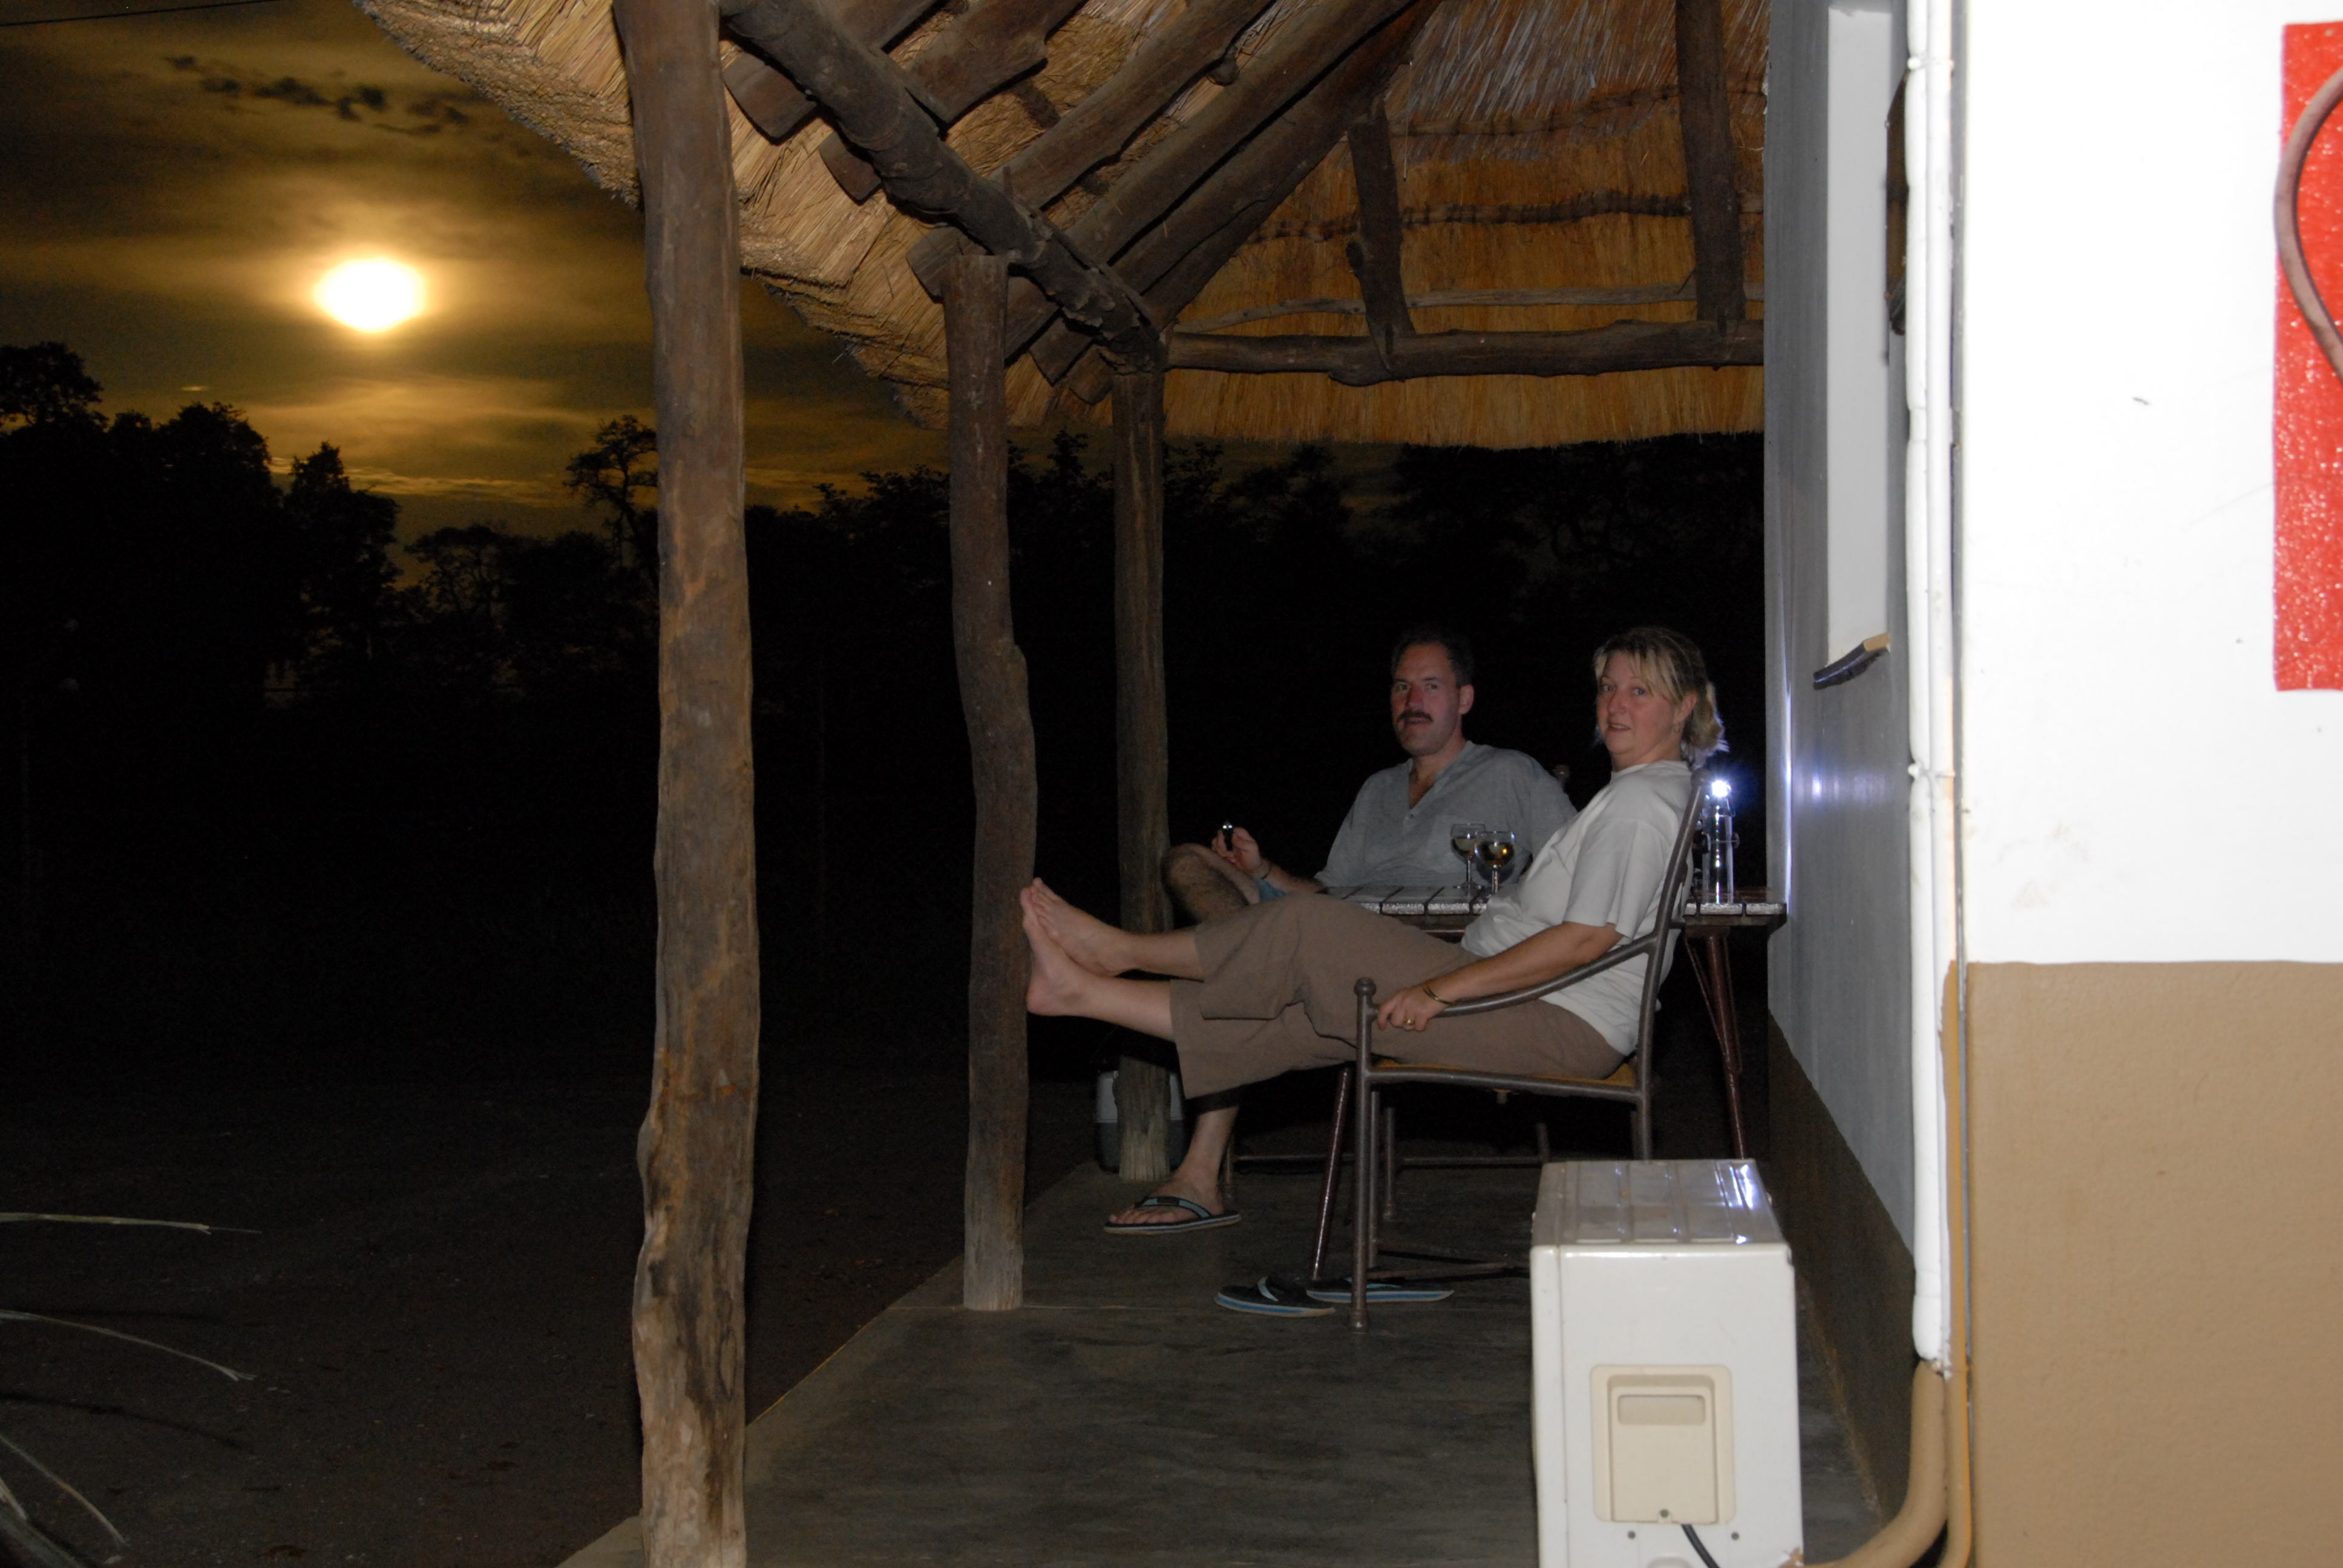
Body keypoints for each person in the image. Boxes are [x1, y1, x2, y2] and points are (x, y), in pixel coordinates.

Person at [1025, 626, 1723, 1234]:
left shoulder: (1636, 802)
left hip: (1555, 1022)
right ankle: (1079, 994)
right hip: (1532, 1005)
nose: (1614, 704)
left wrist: (1442, 990)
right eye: (1608, 687)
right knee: (1305, 1017)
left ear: (1684, 705)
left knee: (1301, 926)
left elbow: (1585, 939)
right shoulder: (1636, 795)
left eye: (1639, 691)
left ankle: (1115, 951)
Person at [1161, 627, 1578, 923]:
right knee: (1187, 863)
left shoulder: (1509, 772)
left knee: (1282, 931)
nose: (1412, 701)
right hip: (1340, 926)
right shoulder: (1378, 788)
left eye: (1431, 686)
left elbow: (1581, 867)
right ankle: (1252, 966)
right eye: (1401, 687)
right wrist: (1261, 869)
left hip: (1433, 945)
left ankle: (1242, 968)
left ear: (1464, 699)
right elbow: (1330, 893)